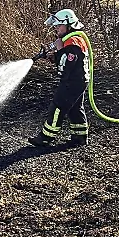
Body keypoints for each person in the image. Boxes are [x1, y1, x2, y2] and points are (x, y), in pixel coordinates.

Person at [29, 9, 90, 148]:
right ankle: (80, 137)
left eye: (58, 25)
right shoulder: (73, 39)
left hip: (72, 82)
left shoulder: (72, 41)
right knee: (75, 108)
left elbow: (66, 66)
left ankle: (45, 138)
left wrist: (60, 50)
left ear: (69, 24)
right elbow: (66, 60)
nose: (56, 28)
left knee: (57, 107)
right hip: (79, 81)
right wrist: (52, 56)